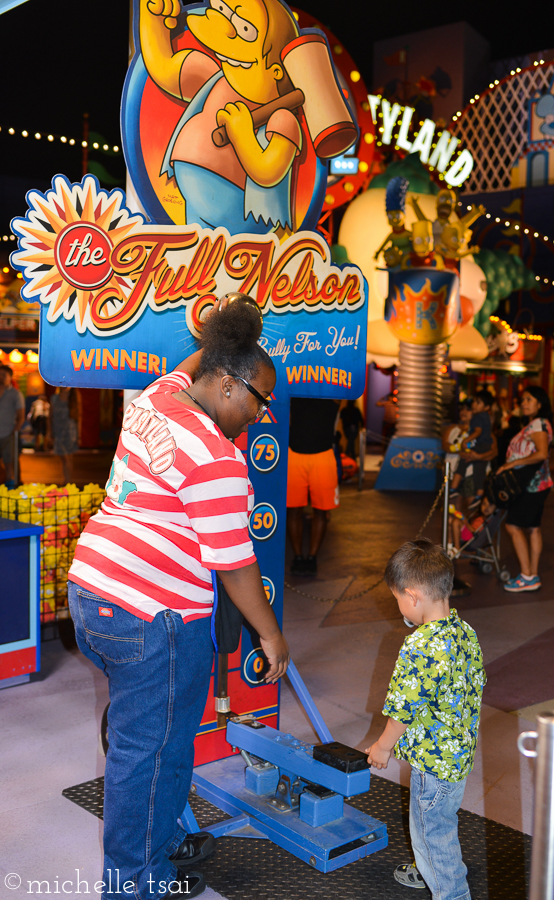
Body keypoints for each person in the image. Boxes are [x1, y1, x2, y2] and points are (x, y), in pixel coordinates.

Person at [67, 296, 289, 900]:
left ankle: (158, 851)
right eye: (259, 398)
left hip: (93, 593)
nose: (263, 415)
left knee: (161, 739)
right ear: (225, 381)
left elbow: (194, 363)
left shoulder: (157, 398)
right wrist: (270, 634)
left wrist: (230, 336)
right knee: (148, 753)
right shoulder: (216, 456)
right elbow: (236, 566)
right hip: (152, 618)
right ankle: (133, 885)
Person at [366, 539, 486, 898]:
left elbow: (402, 709)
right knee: (443, 822)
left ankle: (450, 888)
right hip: (459, 755)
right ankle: (435, 868)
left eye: (397, 599)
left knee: (432, 832)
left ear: (413, 596)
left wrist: (382, 748)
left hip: (433, 765)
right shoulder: (465, 632)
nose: (399, 607)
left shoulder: (420, 646)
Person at [496, 386, 554, 593]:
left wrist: (511, 464)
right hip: (538, 484)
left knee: (513, 525)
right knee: (533, 528)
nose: (524, 403)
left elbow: (541, 454)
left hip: (530, 485)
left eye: (529, 399)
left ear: (540, 404)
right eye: (523, 399)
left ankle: (527, 576)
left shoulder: (538, 424)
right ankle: (532, 575)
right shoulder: (536, 424)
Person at [286, 397, 340, 575]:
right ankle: (299, 556)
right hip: (294, 453)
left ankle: (312, 557)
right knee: (293, 509)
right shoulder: (296, 387)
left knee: (321, 510)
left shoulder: (333, 390)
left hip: (323, 455)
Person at [450, 390, 493, 506]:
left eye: (478, 402)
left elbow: (477, 432)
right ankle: (479, 494)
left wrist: (466, 441)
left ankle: (453, 488)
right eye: (474, 401)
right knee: (479, 470)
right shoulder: (486, 417)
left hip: (480, 445)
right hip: (485, 446)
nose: (474, 404)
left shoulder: (478, 418)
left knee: (463, 463)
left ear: (486, 407)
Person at [0, 364, 25, 488]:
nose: (1, 377)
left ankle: (11, 489)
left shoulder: (15, 394)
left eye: (4, 375)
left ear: (10, 378)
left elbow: (21, 416)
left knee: (9, 463)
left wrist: (14, 432)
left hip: (8, 434)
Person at [50, 386, 81, 483]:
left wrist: (79, 435)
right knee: (64, 458)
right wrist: (49, 432)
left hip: (70, 432)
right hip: (58, 432)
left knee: (68, 458)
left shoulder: (74, 398)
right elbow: (50, 416)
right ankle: (67, 481)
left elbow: (78, 418)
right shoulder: (54, 398)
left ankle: (67, 481)